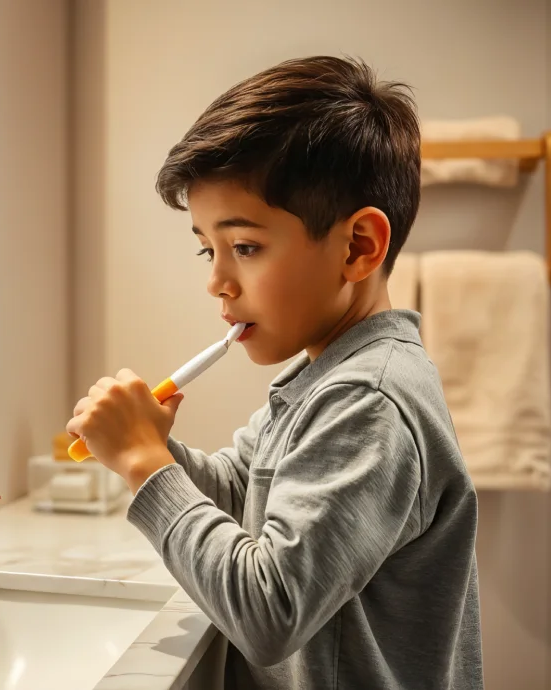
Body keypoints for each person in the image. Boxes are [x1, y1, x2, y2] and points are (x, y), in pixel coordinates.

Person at [66, 56, 482, 689]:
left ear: (358, 247)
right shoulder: (326, 377)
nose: (217, 281)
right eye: (210, 248)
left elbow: (269, 611)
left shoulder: (367, 401)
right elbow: (243, 494)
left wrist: (145, 463)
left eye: (246, 247)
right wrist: (149, 445)